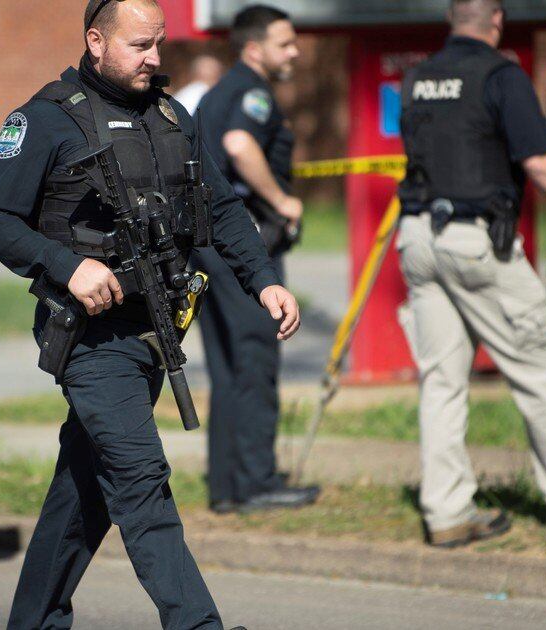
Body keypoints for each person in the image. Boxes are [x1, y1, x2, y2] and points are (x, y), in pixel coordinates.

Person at [0, 1, 299, 627]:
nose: (155, 59)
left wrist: (264, 281)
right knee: (141, 479)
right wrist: (66, 266)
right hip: (90, 339)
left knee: (83, 493)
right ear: (97, 41)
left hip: (154, 333)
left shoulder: (173, 116)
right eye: (140, 45)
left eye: (160, 44)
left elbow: (222, 209)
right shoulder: (45, 120)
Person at [396, 0, 546, 548]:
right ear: (497, 21)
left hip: (418, 240)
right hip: (478, 245)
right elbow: (540, 163)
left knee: (441, 382)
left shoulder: (419, 77)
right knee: (540, 370)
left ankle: (447, 511)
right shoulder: (502, 76)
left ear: (453, 20)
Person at [193, 5, 317, 514]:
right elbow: (240, 145)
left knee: (226, 367)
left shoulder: (215, 94)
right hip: (244, 248)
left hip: (207, 246)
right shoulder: (253, 92)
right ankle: (257, 482)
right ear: (253, 48)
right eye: (284, 43)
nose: (294, 52)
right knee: (255, 363)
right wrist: (283, 201)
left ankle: (227, 485)